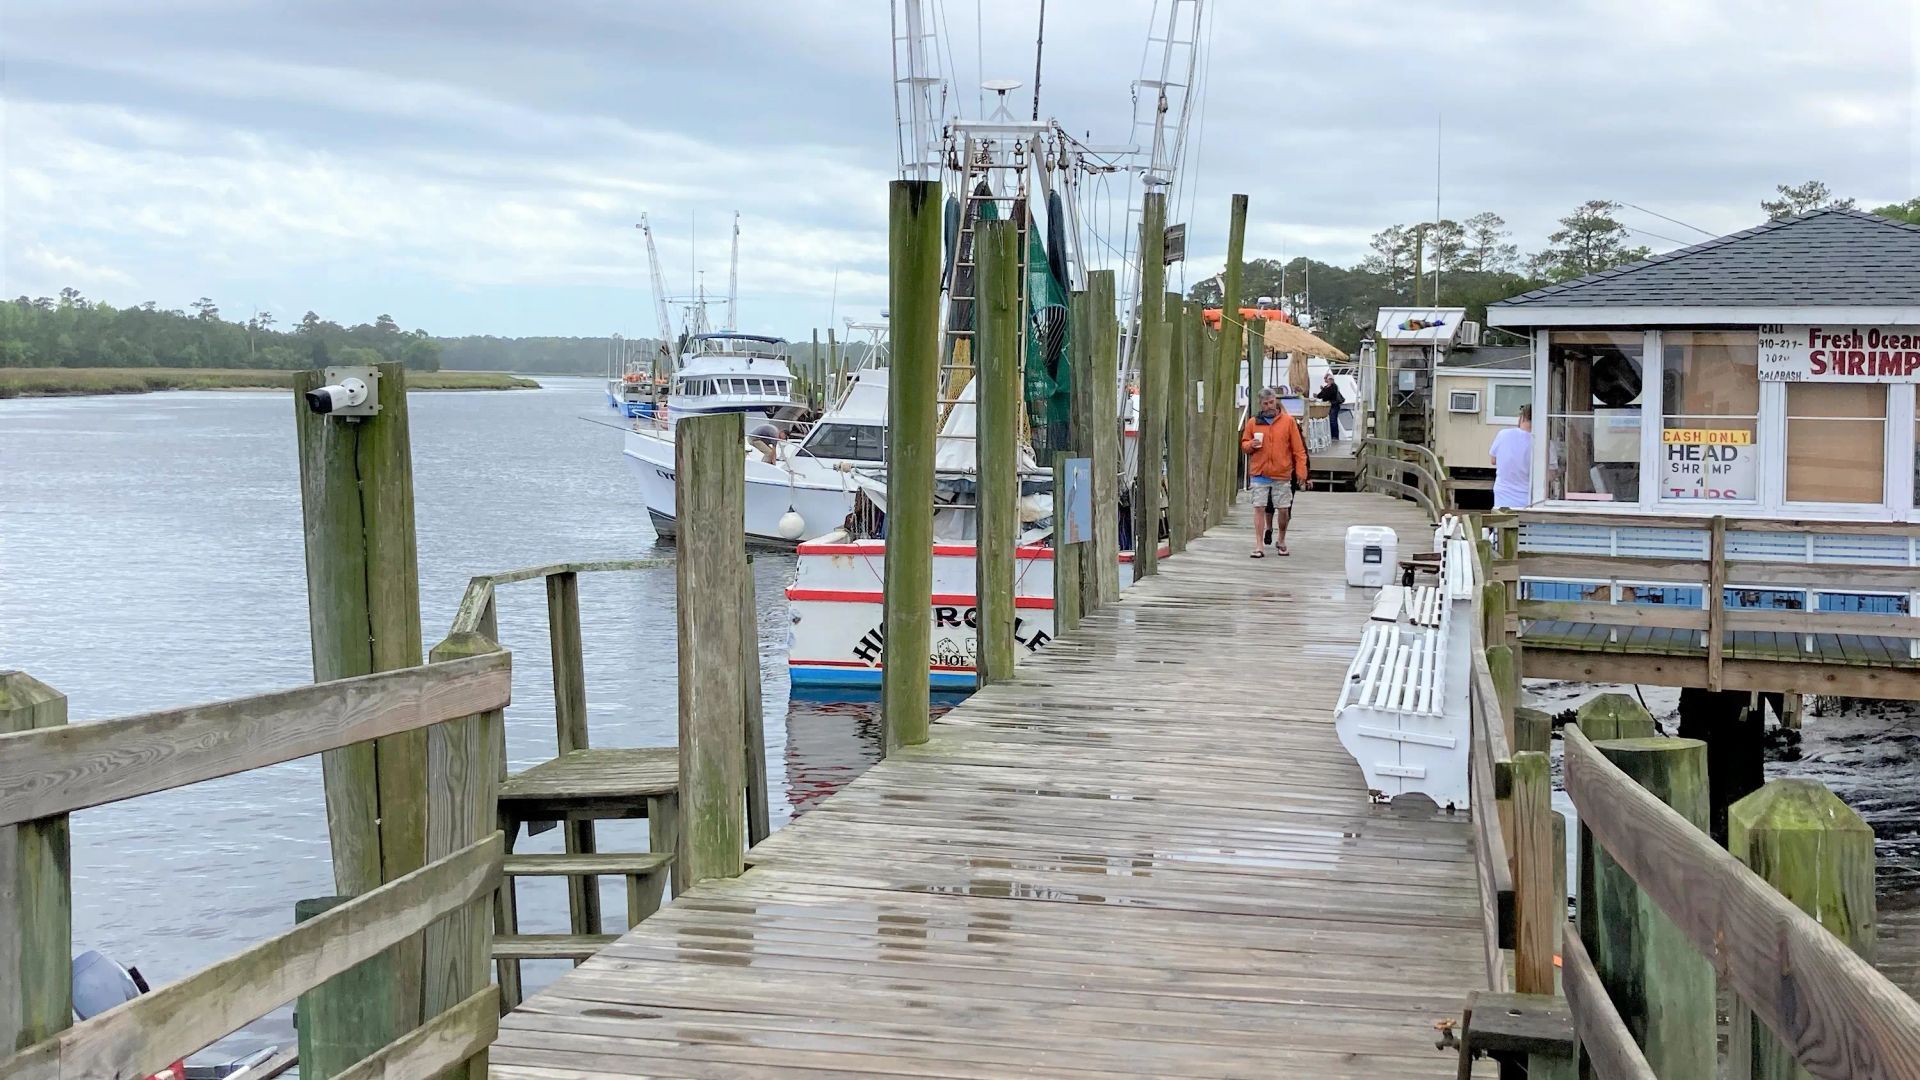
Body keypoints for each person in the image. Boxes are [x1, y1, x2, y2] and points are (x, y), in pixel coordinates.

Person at [1240, 388, 1311, 557]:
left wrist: (1302, 471)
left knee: (1284, 509)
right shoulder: (1252, 423)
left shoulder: (1288, 422)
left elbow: (1298, 450)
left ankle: (1281, 539)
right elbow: (1244, 444)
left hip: (1282, 472)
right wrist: (1251, 445)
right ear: (1261, 405)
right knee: (1259, 507)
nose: (1269, 406)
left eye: (1271, 402)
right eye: (1265, 404)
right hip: (1260, 472)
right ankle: (1259, 545)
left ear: (1275, 401)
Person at [1489, 404, 1534, 509]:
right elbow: (1550, 474)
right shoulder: (1543, 442)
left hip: (1503, 494)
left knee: (1502, 523)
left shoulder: (1503, 434)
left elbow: (1493, 460)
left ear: (1522, 417)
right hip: (1529, 497)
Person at [1314, 372, 1346, 442]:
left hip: (1334, 405)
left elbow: (1328, 395)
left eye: (1328, 379)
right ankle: (1332, 435)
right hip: (1329, 406)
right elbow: (1321, 395)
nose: (1326, 380)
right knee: (1331, 421)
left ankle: (1335, 436)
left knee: (1333, 421)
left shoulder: (1333, 386)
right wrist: (1318, 394)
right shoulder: (1327, 387)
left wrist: (1324, 390)